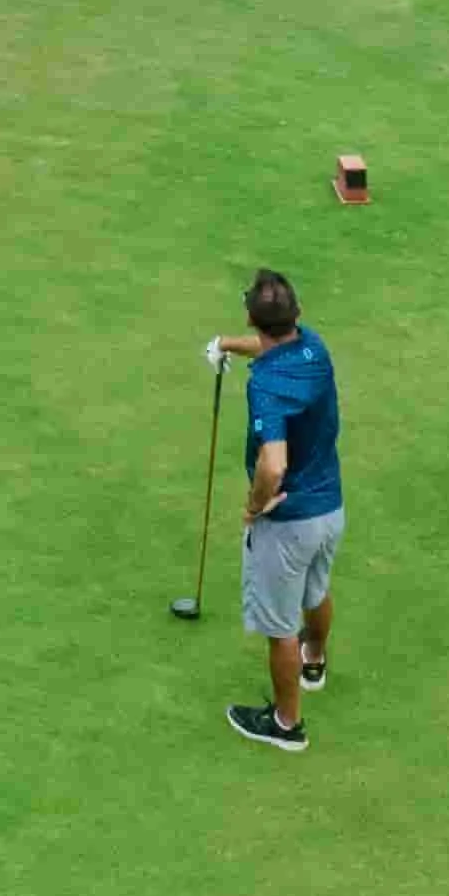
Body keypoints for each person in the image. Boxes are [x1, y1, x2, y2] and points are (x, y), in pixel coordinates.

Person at [203, 269, 341, 749]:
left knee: (280, 627)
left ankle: (287, 725)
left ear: (252, 316)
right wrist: (226, 344)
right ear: (297, 314)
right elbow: (272, 347)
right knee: (316, 591)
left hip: (288, 522)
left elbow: (274, 463)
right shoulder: (314, 347)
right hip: (330, 509)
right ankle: (315, 661)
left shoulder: (264, 387)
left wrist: (254, 504)